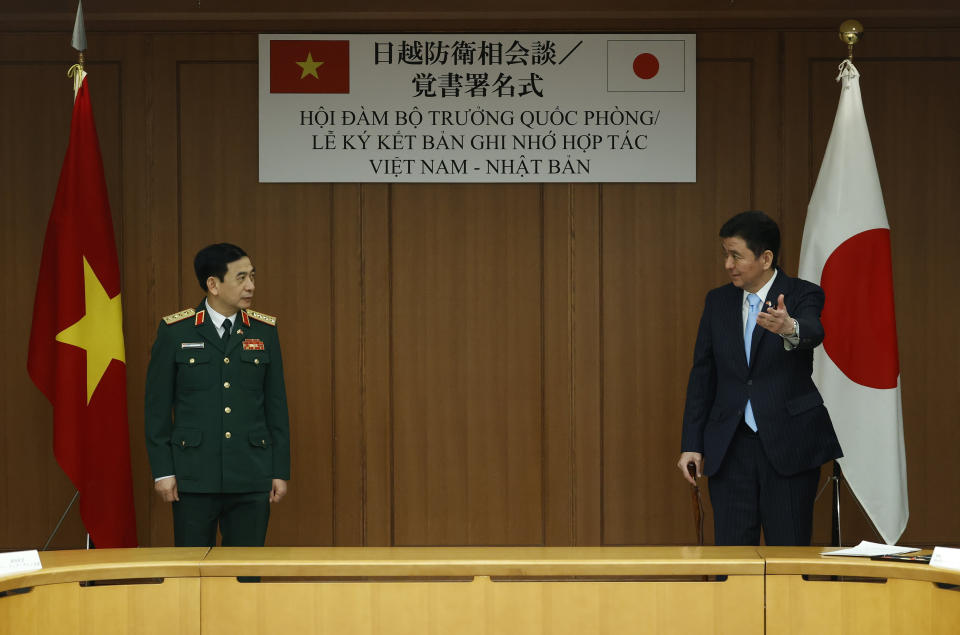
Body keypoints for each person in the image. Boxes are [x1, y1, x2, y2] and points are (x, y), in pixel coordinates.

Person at [677, 211, 842, 546]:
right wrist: (691, 443)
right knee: (733, 562)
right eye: (726, 254)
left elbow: (813, 330)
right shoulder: (718, 301)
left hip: (789, 444)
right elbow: (703, 375)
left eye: (736, 255)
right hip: (730, 446)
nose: (728, 264)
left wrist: (789, 328)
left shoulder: (801, 294)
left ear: (766, 257)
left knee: (789, 557)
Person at [145, 243, 290, 547]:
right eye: (241, 278)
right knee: (193, 576)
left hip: (251, 475)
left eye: (252, 276)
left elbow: (276, 406)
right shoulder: (176, 331)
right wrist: (163, 472)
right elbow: (156, 409)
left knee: (245, 576)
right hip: (193, 477)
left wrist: (279, 470)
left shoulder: (264, 331)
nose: (250, 286)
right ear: (213, 284)